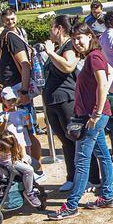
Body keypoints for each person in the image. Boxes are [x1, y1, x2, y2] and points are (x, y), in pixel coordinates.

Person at [48, 22, 113, 220]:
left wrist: (95, 113)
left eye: (80, 38)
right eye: (74, 39)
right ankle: (107, 196)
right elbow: (107, 76)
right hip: (94, 115)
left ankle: (72, 204)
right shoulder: (93, 57)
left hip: (93, 116)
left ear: (90, 37)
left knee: (82, 160)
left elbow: (103, 83)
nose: (77, 42)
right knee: (102, 155)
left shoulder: (94, 57)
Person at [0, 10, 43, 172]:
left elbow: (24, 64)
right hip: (9, 94)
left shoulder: (10, 37)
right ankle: (21, 166)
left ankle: (37, 168)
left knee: (28, 132)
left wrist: (23, 92)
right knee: (13, 132)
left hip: (18, 93)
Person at [41, 15, 81, 192]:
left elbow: (69, 66)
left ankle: (85, 178)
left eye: (52, 27)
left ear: (59, 28)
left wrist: (50, 52)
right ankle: (71, 177)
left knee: (75, 140)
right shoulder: (58, 49)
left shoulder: (68, 46)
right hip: (52, 102)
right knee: (65, 142)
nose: (50, 31)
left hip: (66, 100)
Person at [0, 132, 42, 208]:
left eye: (2, 149)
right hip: (2, 166)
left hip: (10, 163)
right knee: (29, 170)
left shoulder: (15, 147)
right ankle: (29, 192)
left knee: (30, 167)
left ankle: (29, 191)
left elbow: (21, 154)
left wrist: (24, 159)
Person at [0, 87, 42, 176]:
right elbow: (1, 131)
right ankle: (18, 177)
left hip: (24, 141)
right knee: (15, 161)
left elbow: (29, 128)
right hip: (11, 144)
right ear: (3, 100)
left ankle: (30, 177)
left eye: (13, 100)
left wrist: (28, 121)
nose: (11, 103)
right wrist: (5, 121)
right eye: (9, 100)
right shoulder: (3, 115)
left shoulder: (22, 112)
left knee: (26, 159)